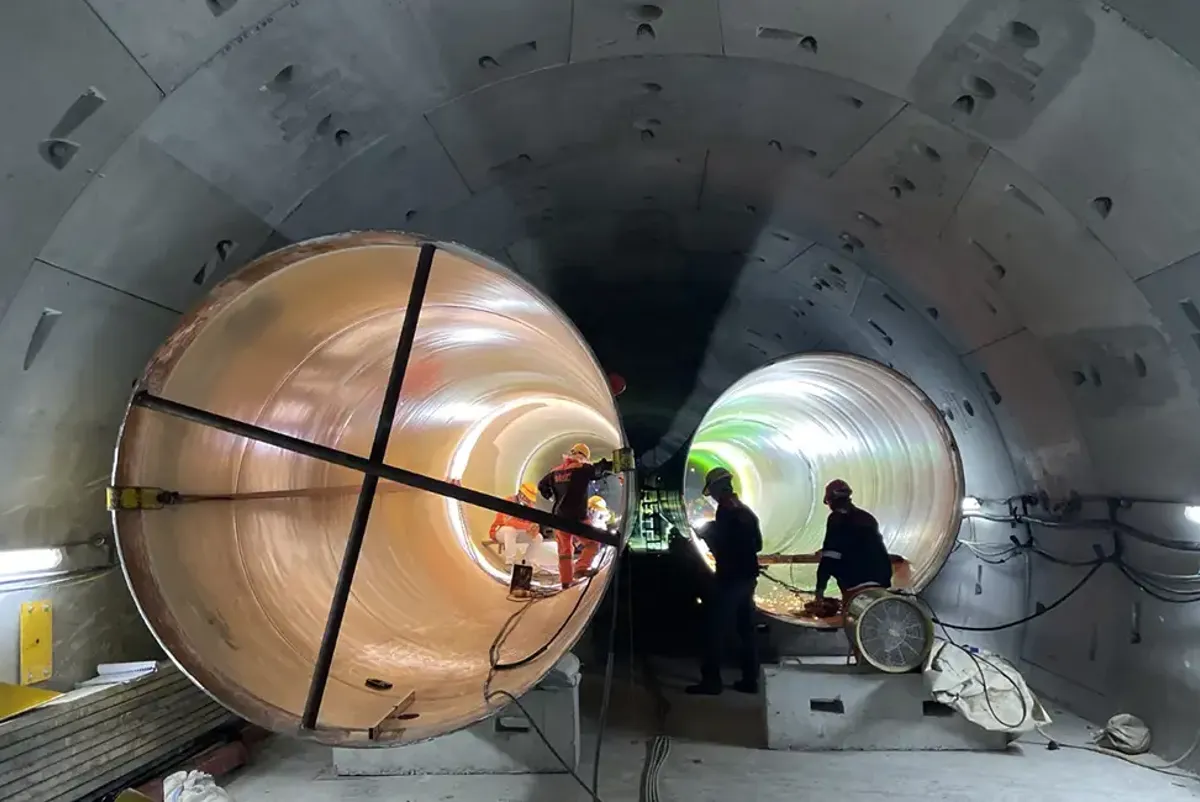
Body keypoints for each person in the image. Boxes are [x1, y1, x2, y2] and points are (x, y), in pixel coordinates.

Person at [687, 467, 763, 696]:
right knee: (746, 630)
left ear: (718, 488)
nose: (712, 496)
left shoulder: (726, 510)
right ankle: (750, 680)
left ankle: (711, 681)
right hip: (748, 577)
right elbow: (757, 544)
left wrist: (707, 534)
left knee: (714, 629)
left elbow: (725, 543)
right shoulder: (745, 510)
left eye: (712, 491)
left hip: (731, 579)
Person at [538, 443, 614, 588]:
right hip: (578, 517)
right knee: (592, 543)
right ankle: (581, 568)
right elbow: (600, 468)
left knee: (564, 552)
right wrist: (618, 465)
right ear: (583, 456)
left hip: (559, 517)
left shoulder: (555, 472)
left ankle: (566, 582)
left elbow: (541, 485)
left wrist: (551, 497)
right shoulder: (583, 468)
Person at [814, 479, 893, 606]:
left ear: (831, 501)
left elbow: (830, 558)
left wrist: (819, 591)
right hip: (881, 579)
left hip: (855, 582)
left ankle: (849, 605)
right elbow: (860, 545)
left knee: (853, 615)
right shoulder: (867, 517)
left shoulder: (836, 518)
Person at [488, 483, 542, 565]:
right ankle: (510, 562)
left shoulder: (530, 506)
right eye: (527, 497)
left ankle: (527, 563)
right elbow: (508, 521)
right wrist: (528, 526)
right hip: (500, 531)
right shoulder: (508, 501)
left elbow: (532, 523)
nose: (528, 500)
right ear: (521, 494)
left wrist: (534, 529)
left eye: (530, 499)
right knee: (510, 530)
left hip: (517, 533)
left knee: (538, 537)